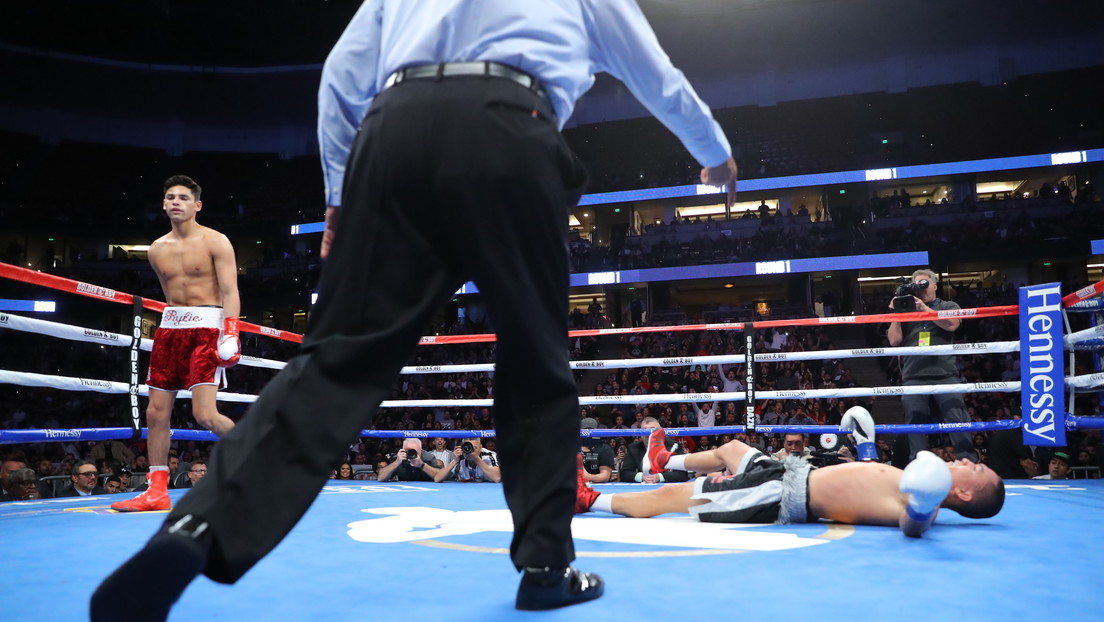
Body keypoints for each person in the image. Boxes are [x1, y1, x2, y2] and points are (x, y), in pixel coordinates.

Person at [92, 1, 737, 617]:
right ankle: (544, 569)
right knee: (535, 362)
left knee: (332, 364)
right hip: (510, 128)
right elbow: (653, 68)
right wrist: (713, 151)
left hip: (393, 132)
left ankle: (191, 534)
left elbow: (341, 76)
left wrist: (339, 193)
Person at [578, 429, 1004, 538]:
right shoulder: (916, 481)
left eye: (977, 469)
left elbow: (912, 527)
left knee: (673, 496)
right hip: (790, 473)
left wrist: (923, 502)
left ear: (964, 494)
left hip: (782, 495)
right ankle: (667, 458)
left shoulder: (922, 505)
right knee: (731, 448)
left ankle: (589, 499)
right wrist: (867, 447)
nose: (969, 460)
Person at [111, 174, 242, 514]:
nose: (175, 202)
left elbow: (230, 291)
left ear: (197, 205)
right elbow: (170, 295)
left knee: (204, 414)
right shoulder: (156, 249)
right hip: (171, 328)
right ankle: (156, 491)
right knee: (155, 414)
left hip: (207, 328)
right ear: (164, 203)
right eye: (170, 197)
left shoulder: (216, 241)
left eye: (183, 197)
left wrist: (231, 331)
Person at [887, 269, 977, 462]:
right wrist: (896, 312)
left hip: (945, 373)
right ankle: (918, 463)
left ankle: (967, 462)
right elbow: (894, 341)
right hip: (913, 375)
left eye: (924, 284)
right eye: (917, 285)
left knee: (956, 419)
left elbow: (952, 324)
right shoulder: (906, 310)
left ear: (935, 285)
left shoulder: (948, 305)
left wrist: (925, 310)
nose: (921, 289)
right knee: (915, 424)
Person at [619, 417, 691, 484]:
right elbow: (625, 473)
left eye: (652, 429)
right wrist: (642, 477)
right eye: (644, 430)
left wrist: (660, 477)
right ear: (641, 434)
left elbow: (682, 474)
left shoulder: (673, 445)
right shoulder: (634, 448)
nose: (648, 434)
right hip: (644, 490)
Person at [435, 437, 502, 483]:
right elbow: (438, 478)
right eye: (467, 447)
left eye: (474, 448)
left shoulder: (489, 455)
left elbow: (497, 477)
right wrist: (455, 460)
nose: (470, 450)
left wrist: (476, 458)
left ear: (480, 447)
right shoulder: (461, 456)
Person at [377, 439, 441, 482]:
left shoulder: (428, 458)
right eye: (408, 451)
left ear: (421, 451)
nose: (411, 454)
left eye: (414, 451)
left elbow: (440, 476)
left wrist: (422, 465)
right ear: (403, 450)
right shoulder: (399, 458)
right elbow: (380, 478)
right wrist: (396, 462)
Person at [579, 418, 615, 483]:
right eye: (585, 431)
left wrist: (586, 476)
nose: (588, 434)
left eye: (591, 431)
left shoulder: (604, 449)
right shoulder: (573, 448)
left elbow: (605, 476)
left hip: (599, 487)